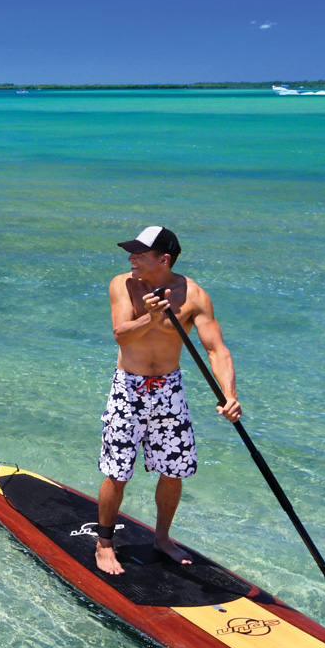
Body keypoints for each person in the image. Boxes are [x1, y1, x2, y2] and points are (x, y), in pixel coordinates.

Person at [95, 225, 242, 577]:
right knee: (118, 472)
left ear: (163, 259)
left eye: (139, 254)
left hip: (169, 390)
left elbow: (216, 349)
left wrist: (230, 395)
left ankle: (162, 538)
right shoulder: (123, 285)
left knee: (173, 471)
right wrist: (152, 318)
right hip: (128, 388)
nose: (130, 258)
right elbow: (121, 335)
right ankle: (103, 544)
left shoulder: (194, 296)